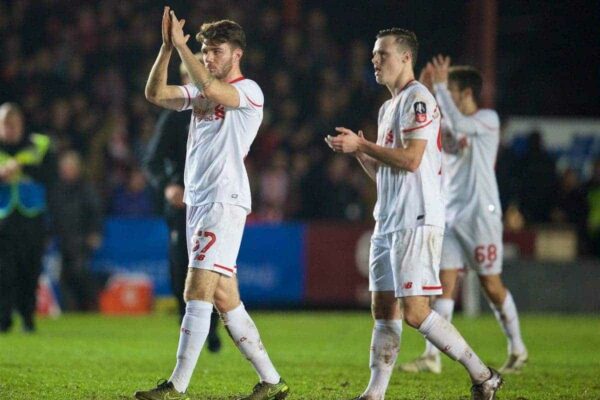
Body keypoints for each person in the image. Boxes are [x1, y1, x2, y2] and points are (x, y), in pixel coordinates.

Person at [325, 29, 502, 400]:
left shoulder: (418, 99)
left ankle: (483, 374)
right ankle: (374, 393)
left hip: (416, 218)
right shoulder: (388, 107)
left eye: (382, 54)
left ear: (406, 58)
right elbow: (386, 171)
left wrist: (365, 143)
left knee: (416, 312)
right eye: (374, 54)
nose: (375, 60)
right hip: (388, 218)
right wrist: (361, 154)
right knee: (383, 308)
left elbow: (411, 159)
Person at [134, 7, 288, 400]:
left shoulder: (249, 91)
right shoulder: (200, 94)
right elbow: (155, 94)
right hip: (198, 201)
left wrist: (184, 46)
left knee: (195, 291)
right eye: (204, 51)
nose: (207, 58)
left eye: (215, 51)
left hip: (224, 199)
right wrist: (168, 49)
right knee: (224, 297)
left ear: (237, 54)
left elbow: (214, 89)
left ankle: (176, 385)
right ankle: (272, 381)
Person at [399, 57, 528, 375]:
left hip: (481, 216)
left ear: (466, 92)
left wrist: (439, 88)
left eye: (451, 90)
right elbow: (432, 123)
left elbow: (458, 124)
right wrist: (429, 88)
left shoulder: (487, 120)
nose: (447, 95)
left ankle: (517, 348)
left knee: (491, 285)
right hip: (450, 214)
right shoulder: (448, 117)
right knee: (444, 284)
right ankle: (432, 356)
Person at [143, 56, 221, 352]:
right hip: (182, 205)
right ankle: (187, 325)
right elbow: (151, 161)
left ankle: (210, 329)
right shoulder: (174, 116)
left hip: (214, 202)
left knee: (214, 268)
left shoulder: (221, 110)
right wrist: (168, 186)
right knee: (182, 268)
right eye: (188, 76)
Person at [0, 102, 56, 333]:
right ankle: (3, 319)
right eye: (5, 125)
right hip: (3, 217)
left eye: (13, 124)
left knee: (30, 269)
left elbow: (51, 175)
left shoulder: (39, 145)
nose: (9, 129)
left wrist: (21, 168)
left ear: (21, 124)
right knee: (4, 271)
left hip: (31, 217)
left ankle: (27, 317)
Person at [49, 150, 103, 311]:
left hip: (81, 240)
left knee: (80, 272)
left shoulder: (86, 189)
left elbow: (95, 213)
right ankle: (69, 308)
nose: (67, 171)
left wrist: (95, 233)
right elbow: (52, 215)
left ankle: (90, 305)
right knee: (64, 277)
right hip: (63, 241)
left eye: (70, 167)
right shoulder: (56, 190)